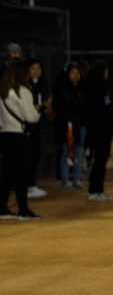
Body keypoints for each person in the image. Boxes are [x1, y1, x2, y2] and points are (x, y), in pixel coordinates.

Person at [0, 61, 41, 220]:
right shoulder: (23, 91)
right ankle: (23, 211)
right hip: (19, 136)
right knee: (22, 175)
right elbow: (31, 117)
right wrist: (37, 111)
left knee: (7, 174)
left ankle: (2, 208)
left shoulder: (2, 91)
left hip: (4, 135)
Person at [84, 61, 113, 202]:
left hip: (104, 130)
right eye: (105, 71)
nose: (107, 74)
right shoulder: (93, 89)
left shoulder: (104, 87)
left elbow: (111, 107)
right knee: (99, 160)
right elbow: (100, 110)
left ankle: (98, 190)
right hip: (98, 130)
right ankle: (95, 191)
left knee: (102, 160)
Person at [54, 62, 86, 189]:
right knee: (67, 152)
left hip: (80, 125)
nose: (75, 75)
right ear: (68, 74)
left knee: (79, 152)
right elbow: (65, 106)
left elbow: (84, 106)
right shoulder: (63, 88)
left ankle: (77, 178)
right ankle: (66, 178)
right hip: (67, 125)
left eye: (77, 73)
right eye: (72, 73)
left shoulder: (83, 88)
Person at [26, 59, 51, 200]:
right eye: (33, 68)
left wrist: (47, 107)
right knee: (28, 156)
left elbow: (46, 105)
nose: (36, 71)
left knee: (37, 154)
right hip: (28, 125)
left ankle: (32, 184)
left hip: (41, 125)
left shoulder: (44, 84)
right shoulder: (25, 86)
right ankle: (28, 185)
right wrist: (40, 107)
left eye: (39, 68)